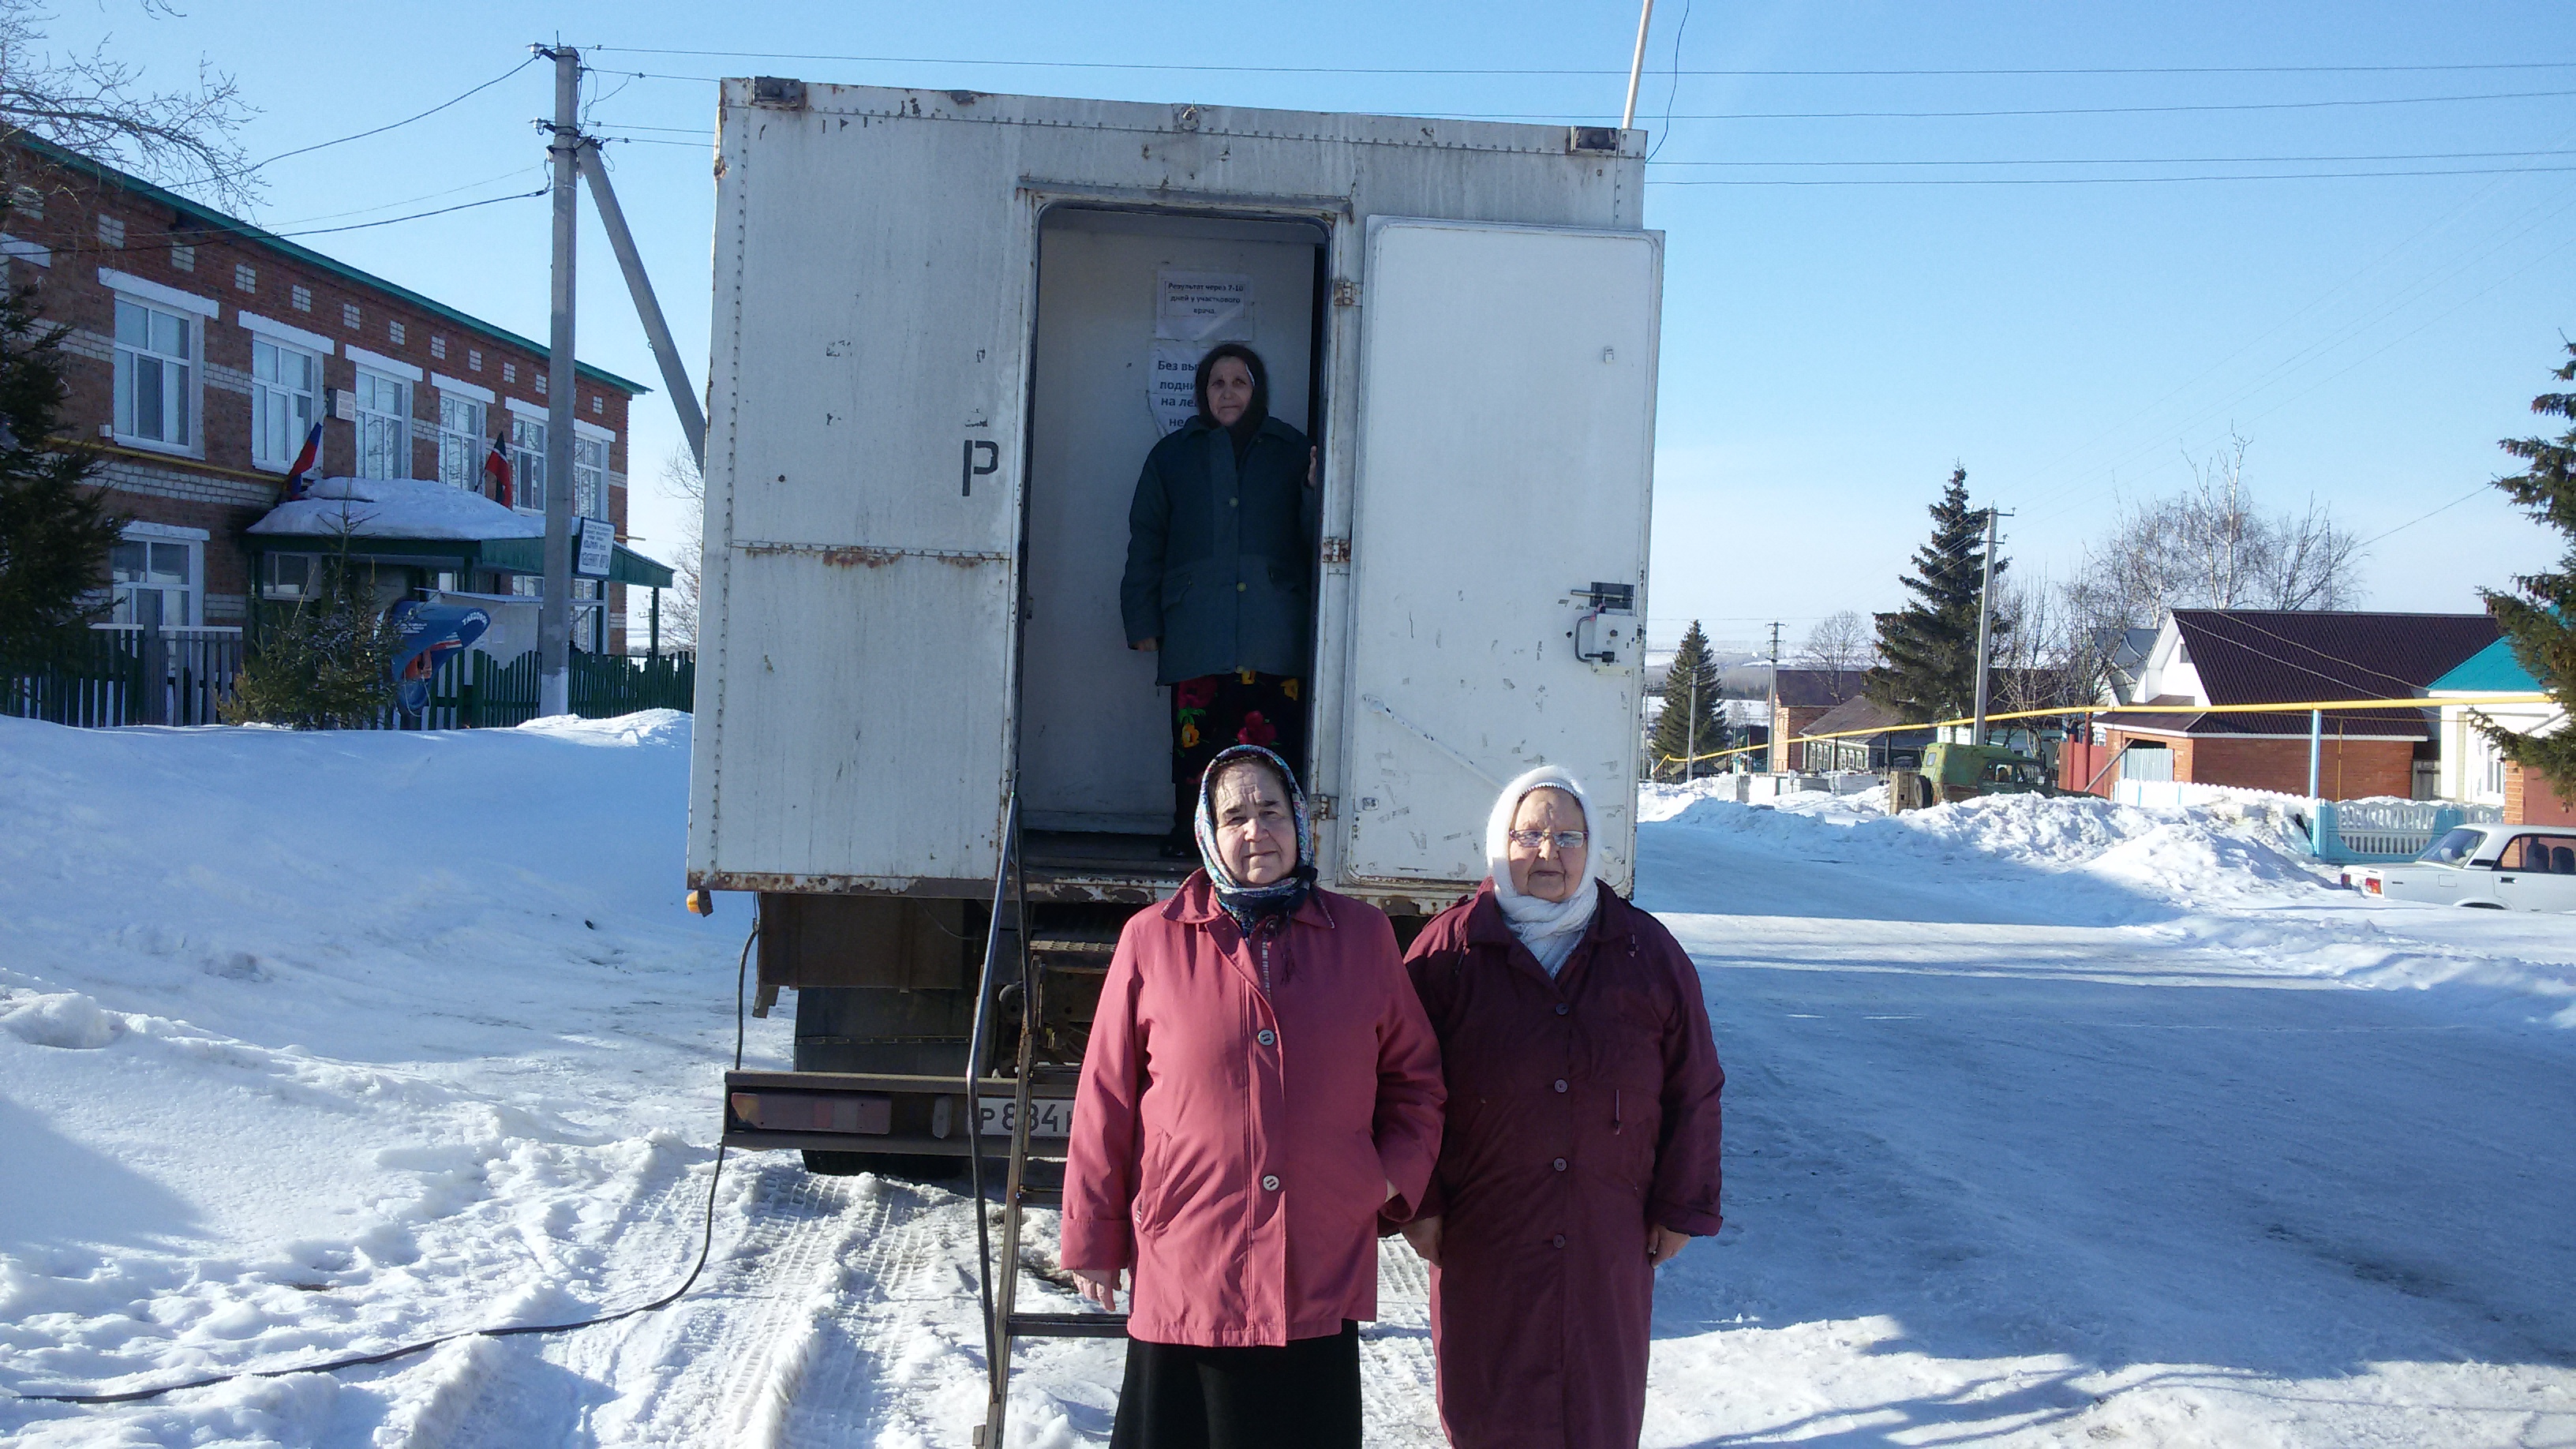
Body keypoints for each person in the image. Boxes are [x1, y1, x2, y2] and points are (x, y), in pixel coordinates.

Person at [1061, 743, 1445, 1449]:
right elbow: (1106, 1097)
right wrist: (1092, 1234)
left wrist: (1386, 1178)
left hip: (1316, 1258)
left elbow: (1416, 1081)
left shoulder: (1362, 937)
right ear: (1209, 832)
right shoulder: (1152, 939)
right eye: (1234, 816)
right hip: (1189, 1258)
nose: (1255, 830)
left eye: (1271, 810)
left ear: (1299, 822)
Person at [1396, 766, 1725, 1449]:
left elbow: (1693, 1085)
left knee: (1598, 1408)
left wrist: (1682, 1204)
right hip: (1484, 1232)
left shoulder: (1646, 951)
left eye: (1569, 837)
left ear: (1592, 845)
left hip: (1608, 1229)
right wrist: (1417, 1202)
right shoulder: (1448, 951)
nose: (1549, 852)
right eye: (1529, 835)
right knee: (1488, 1403)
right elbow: (1399, 1084)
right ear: (1500, 842)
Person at [1120, 343, 1317, 857]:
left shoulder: (1293, 450)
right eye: (1217, 383)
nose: (1228, 393)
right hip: (1196, 630)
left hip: (1273, 631)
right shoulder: (1172, 456)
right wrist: (1142, 620)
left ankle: (1269, 846)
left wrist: (1315, 489)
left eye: (1239, 382)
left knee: (1270, 746)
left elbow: (1318, 537)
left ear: (1257, 391)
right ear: (1203, 392)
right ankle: (1193, 837)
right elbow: (1147, 538)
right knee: (1198, 741)